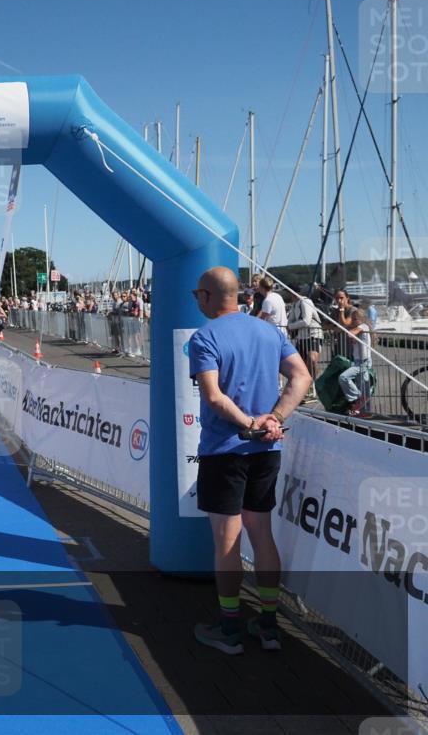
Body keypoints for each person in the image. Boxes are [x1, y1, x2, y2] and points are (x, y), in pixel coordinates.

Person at [188, 267, 310, 655]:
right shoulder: (269, 331)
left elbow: (213, 397)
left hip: (227, 451)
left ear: (207, 296)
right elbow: (302, 377)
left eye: (197, 294)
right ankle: (269, 625)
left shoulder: (204, 337)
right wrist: (274, 420)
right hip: (265, 451)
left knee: (227, 542)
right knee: (262, 535)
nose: (196, 300)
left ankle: (230, 629)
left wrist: (251, 424)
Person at [286, 286, 323, 398]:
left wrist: (291, 326)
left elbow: (306, 321)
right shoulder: (294, 305)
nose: (290, 296)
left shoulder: (306, 301)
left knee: (311, 359)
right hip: (301, 337)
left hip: (313, 334)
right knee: (299, 363)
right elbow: (290, 319)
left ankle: (314, 384)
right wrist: (290, 324)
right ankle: (305, 386)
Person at [338, 308, 373, 417]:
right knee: (364, 387)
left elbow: (350, 334)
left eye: (355, 319)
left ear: (361, 319)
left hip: (363, 362)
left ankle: (358, 399)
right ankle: (365, 410)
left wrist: (347, 328)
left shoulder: (363, 327)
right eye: (352, 319)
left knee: (343, 377)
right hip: (359, 361)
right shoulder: (359, 328)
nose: (352, 321)